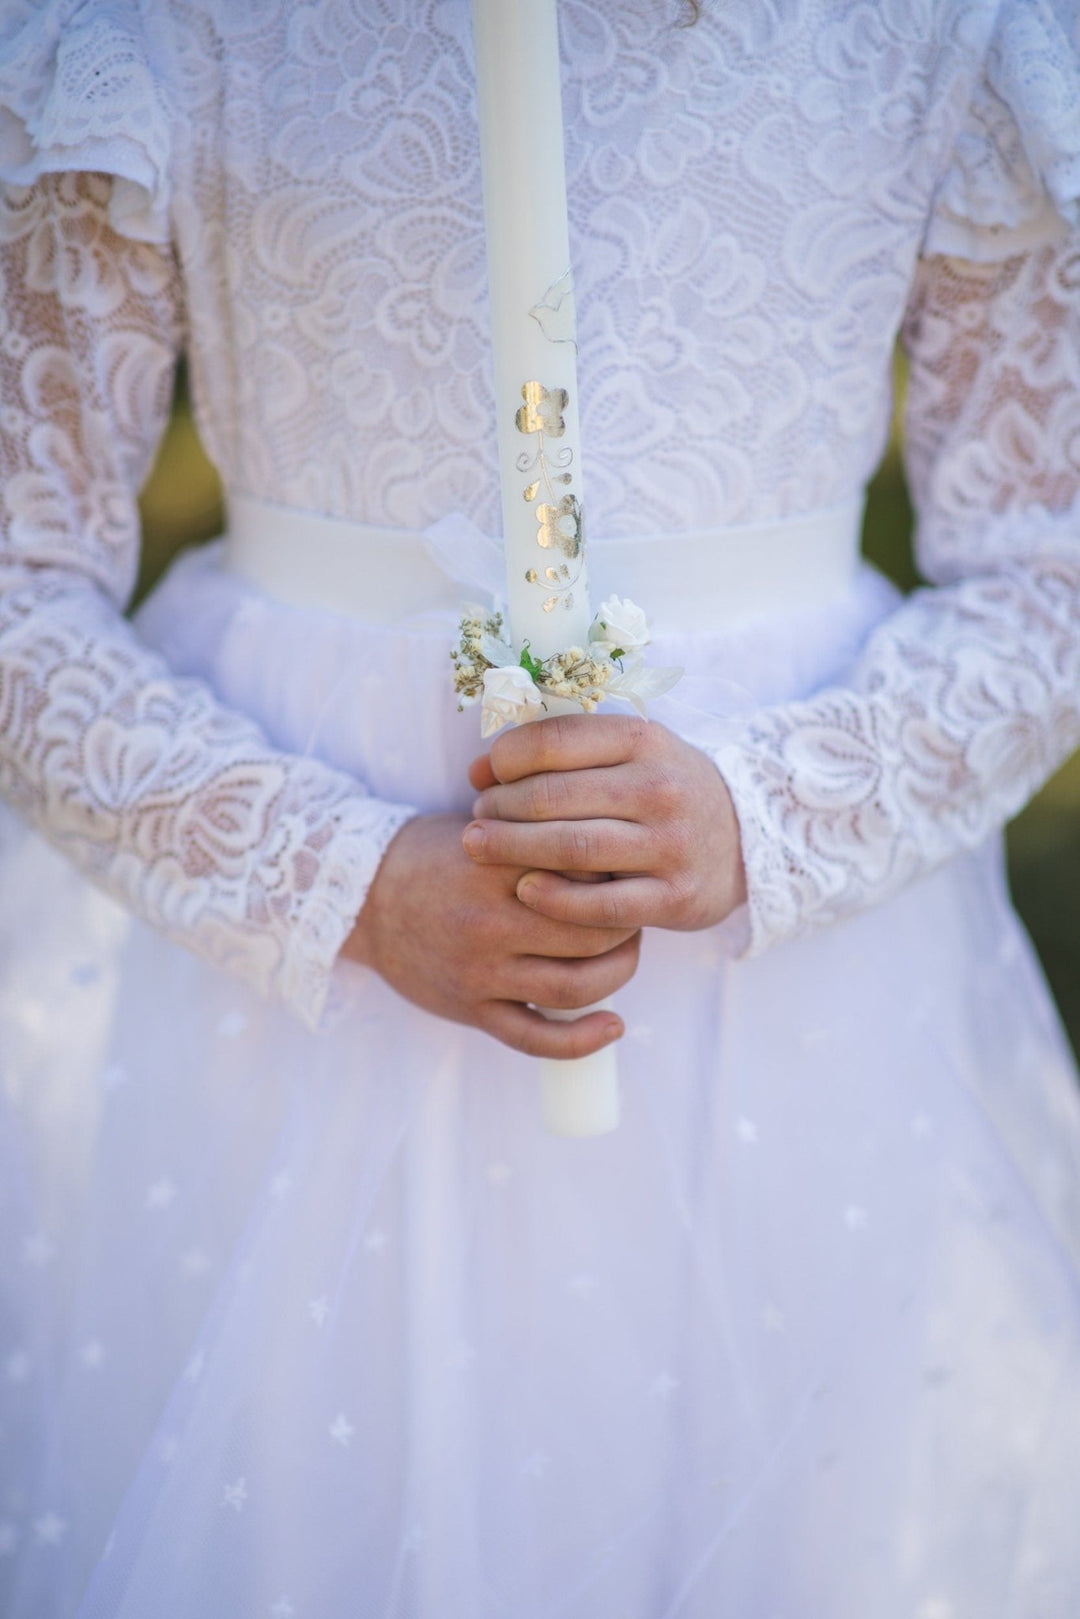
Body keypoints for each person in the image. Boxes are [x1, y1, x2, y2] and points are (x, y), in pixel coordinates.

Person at [2, 0, 1080, 1614]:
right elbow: (22, 580)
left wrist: (765, 814)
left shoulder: (944, 25)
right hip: (289, 988)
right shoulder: (167, 24)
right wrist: (337, 881)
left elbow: (1048, 564)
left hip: (794, 990)